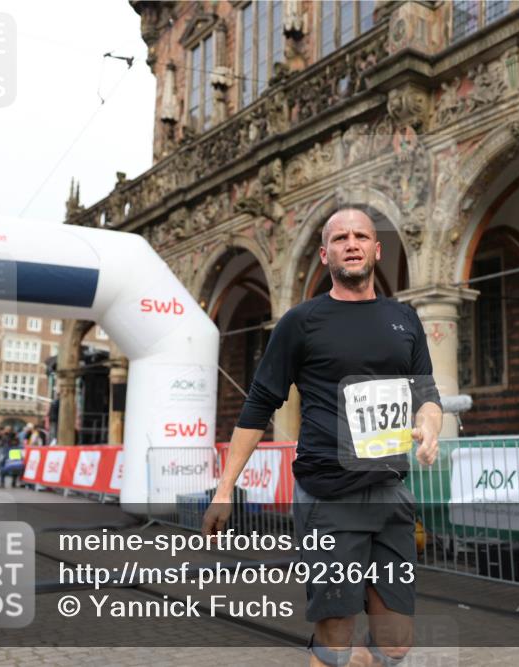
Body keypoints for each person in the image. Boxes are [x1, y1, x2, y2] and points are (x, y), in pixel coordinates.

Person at [202, 208, 442, 667]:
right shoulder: (302, 322)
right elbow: (258, 405)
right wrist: (225, 488)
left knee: (394, 642)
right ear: (324, 253)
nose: (351, 243)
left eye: (361, 236)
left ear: (377, 249)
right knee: (337, 639)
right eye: (340, 238)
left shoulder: (404, 319)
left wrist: (430, 426)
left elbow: (426, 395)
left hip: (391, 493)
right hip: (328, 496)